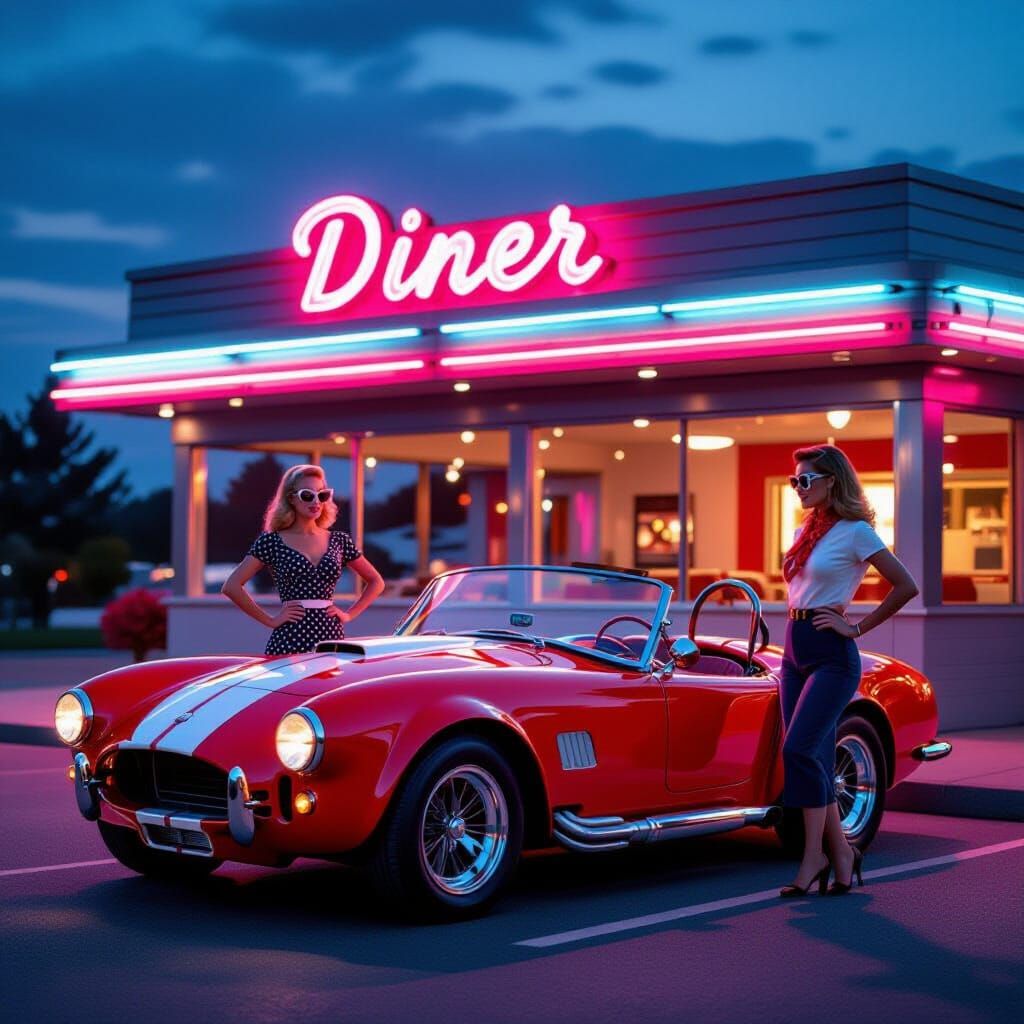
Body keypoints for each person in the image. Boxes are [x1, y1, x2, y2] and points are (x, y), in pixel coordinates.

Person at [778, 444, 918, 897]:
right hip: (793, 649)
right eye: (794, 480)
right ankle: (841, 855)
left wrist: (856, 627)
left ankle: (812, 856)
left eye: (805, 480)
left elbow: (906, 585)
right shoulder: (807, 529)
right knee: (814, 756)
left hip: (832, 654)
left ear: (831, 481)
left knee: (799, 749)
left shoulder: (856, 532)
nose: (798, 487)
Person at [222, 464, 385, 655]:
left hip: (330, 636)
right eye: (307, 495)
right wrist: (270, 620)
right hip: (289, 637)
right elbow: (231, 586)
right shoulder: (272, 541)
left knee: (330, 685)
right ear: (291, 498)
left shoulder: (339, 540)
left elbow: (376, 582)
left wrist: (349, 615)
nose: (316, 501)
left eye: (322, 495)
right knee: (290, 686)